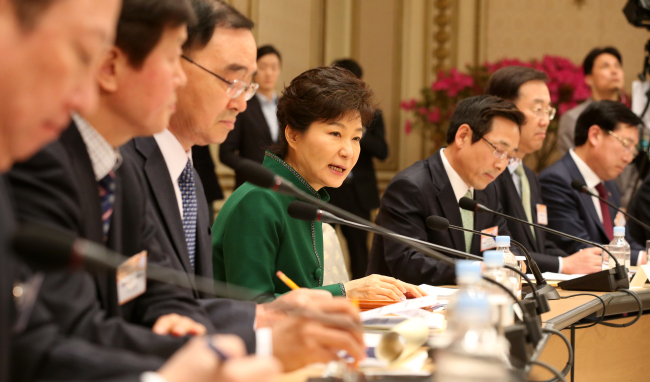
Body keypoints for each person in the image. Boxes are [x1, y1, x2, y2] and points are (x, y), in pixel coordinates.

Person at [121, 0, 366, 369]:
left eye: (248, 85)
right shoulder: (127, 167)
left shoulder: (188, 178)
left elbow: (185, 304)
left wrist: (270, 315)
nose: (241, 102)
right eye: (230, 80)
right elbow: (122, 308)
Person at [212, 66, 426, 300]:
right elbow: (251, 307)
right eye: (335, 133)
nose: (348, 151)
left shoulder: (305, 196)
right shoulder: (259, 200)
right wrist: (346, 291)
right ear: (293, 135)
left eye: (356, 137)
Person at [368, 95, 524, 286]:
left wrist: (515, 262)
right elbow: (408, 263)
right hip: (406, 309)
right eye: (499, 150)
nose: (502, 165)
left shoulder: (488, 191)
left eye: (510, 156)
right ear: (463, 136)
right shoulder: (411, 186)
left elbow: (505, 246)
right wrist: (477, 270)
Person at [486, 66, 602, 274]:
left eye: (549, 111)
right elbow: (496, 248)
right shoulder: (487, 174)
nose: (546, 120)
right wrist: (562, 265)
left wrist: (580, 262)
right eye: (538, 109)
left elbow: (539, 243)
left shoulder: (529, 177)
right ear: (504, 109)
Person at [539, 100, 646, 265]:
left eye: (634, 149)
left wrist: (645, 256)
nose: (629, 158)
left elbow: (625, 242)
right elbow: (579, 247)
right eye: (626, 145)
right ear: (595, 135)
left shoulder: (610, 186)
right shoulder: (556, 181)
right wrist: (640, 258)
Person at [326, 58, 389, 280]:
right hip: (328, 190)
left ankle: (362, 297)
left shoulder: (373, 114)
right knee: (321, 247)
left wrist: (357, 132)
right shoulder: (326, 114)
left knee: (360, 250)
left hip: (357, 191)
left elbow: (383, 151)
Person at [219, 45, 283, 188]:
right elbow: (225, 153)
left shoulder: (285, 107)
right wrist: (251, 169)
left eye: (274, 68)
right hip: (249, 184)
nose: (269, 73)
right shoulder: (243, 106)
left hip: (280, 185)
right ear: (254, 70)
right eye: (263, 67)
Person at [556, 47, 626, 156]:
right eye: (605, 66)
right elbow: (572, 165)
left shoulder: (634, 118)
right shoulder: (573, 119)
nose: (614, 71)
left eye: (617, 66)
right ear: (589, 79)